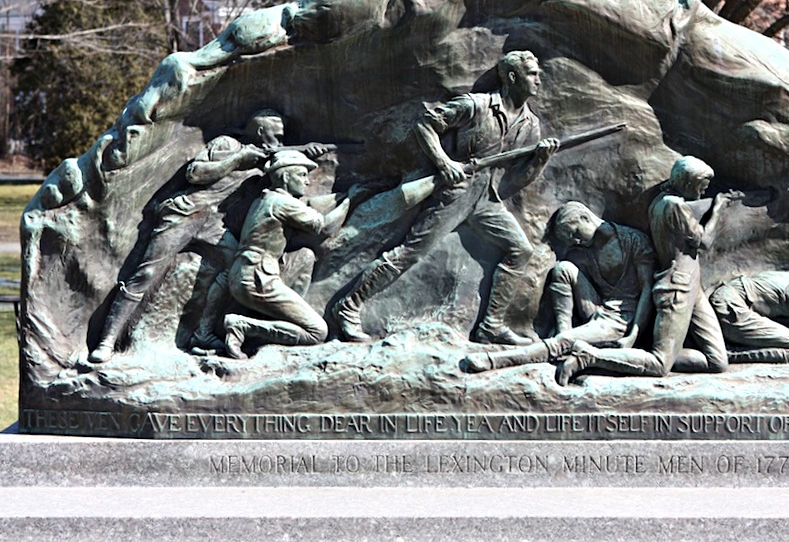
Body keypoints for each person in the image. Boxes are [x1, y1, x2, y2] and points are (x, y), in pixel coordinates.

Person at [328, 50, 559, 344]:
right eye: (532, 74)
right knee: (409, 252)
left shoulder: (530, 125)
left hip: (486, 198)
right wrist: (444, 163)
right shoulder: (477, 106)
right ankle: (347, 307)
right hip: (456, 193)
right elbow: (425, 124)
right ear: (513, 77)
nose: (539, 79)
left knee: (520, 250)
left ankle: (491, 326)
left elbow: (516, 180)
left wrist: (540, 160)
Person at [87, 109, 324, 363]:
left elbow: (282, 158)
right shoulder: (227, 144)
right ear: (260, 132)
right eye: (276, 136)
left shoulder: (265, 158)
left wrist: (305, 150)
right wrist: (237, 159)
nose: (279, 141)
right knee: (145, 273)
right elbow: (195, 173)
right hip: (184, 214)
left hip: (213, 224)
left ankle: (203, 334)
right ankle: (107, 341)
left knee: (237, 268)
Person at [555, 156, 731, 384]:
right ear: (688, 184)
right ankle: (589, 356)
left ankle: (633, 354)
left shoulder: (660, 201)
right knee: (659, 364)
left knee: (717, 361)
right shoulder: (673, 206)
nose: (702, 192)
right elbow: (704, 243)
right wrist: (718, 209)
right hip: (677, 287)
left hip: (691, 284)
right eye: (701, 187)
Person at [464, 201, 654, 375]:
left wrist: (633, 334)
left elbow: (647, 289)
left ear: (585, 218)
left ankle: (494, 361)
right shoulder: (587, 251)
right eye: (572, 240)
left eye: (576, 234)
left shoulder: (634, 240)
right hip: (598, 308)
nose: (577, 242)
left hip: (621, 320)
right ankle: (564, 335)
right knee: (564, 269)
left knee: (562, 342)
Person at [223, 150, 352, 358]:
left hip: (248, 272)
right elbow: (325, 227)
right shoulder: (282, 203)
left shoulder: (266, 198)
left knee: (306, 256)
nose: (307, 182)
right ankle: (242, 326)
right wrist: (349, 201)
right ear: (284, 177)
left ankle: (286, 322)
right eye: (302, 175)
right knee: (317, 332)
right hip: (258, 279)